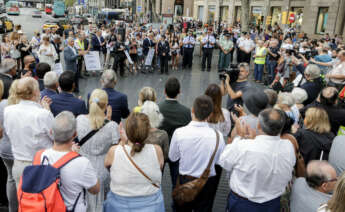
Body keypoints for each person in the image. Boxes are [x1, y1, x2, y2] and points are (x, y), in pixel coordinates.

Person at [219, 108, 296, 212]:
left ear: (259, 125)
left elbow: (224, 162)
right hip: (272, 204)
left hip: (242, 203)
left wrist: (239, 138)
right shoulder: (288, 146)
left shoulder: (243, 146)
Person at [169, 95, 225, 211]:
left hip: (185, 181)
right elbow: (220, 161)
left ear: (192, 110)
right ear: (210, 115)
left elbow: (172, 157)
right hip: (207, 182)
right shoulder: (218, 136)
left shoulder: (179, 133)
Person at [40, 111, 100, 212]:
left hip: (49, 207)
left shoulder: (42, 156)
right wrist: (76, 155)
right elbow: (95, 189)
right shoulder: (82, 163)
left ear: (51, 132)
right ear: (75, 134)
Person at [104, 113, 165, 212]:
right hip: (152, 206)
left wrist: (123, 142)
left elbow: (107, 165)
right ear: (148, 131)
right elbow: (160, 167)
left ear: (127, 131)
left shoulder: (114, 151)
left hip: (119, 206)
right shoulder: (157, 150)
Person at [4, 77, 53, 186]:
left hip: (19, 164)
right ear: (36, 92)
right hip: (40, 165)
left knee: (23, 201)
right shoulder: (43, 114)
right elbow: (56, 137)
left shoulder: (8, 111)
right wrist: (47, 110)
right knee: (43, 201)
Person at [76, 89, 119, 212]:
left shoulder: (79, 120)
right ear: (106, 106)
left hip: (83, 166)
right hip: (103, 169)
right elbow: (115, 146)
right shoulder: (112, 126)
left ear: (90, 103)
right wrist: (108, 120)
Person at [0, 80, 18, 212]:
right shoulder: (21, 106)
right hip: (20, 150)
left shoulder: (2, 105)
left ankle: (13, 208)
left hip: (5, 148)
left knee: (10, 178)